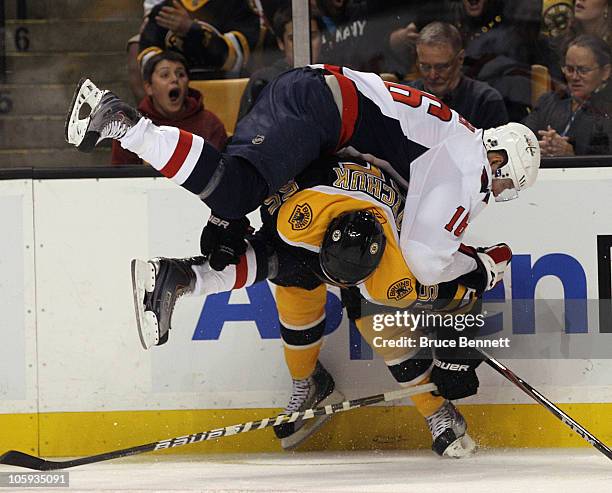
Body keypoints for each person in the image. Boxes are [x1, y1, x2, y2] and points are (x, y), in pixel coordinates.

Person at [131, 155, 514, 457]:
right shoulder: (299, 220)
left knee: (378, 324)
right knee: (289, 279)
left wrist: (457, 356)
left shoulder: (400, 266)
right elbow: (253, 167)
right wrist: (225, 216)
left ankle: (437, 411)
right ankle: (309, 380)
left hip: (377, 234)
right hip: (320, 210)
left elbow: (468, 287)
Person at [65, 64, 539, 293]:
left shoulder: (460, 140)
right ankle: (124, 124)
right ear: (499, 164)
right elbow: (426, 261)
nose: (493, 194)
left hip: (317, 104)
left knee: (264, 233)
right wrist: (479, 265)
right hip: (320, 112)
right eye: (502, 186)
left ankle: (189, 277)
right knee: (236, 193)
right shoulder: (467, 170)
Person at [112, 51, 227, 165]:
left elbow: (218, 174)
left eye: (181, 74)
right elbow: (121, 179)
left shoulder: (210, 124)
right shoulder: (130, 127)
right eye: (165, 75)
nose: (174, 79)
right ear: (149, 88)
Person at [406, 21, 508, 129]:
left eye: (442, 67)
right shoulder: (405, 98)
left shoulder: (485, 102)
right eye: (425, 66)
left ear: (460, 59)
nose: (432, 75)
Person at [523, 34, 612, 156]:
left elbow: (605, 155)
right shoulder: (548, 102)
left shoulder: (608, 109)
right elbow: (523, 137)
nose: (575, 77)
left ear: (605, 72)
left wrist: (573, 154)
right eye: (569, 69)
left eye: (583, 70)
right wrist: (539, 146)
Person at [237, 6, 324, 120]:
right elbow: (245, 134)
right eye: (294, 38)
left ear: (321, 39)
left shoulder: (332, 77)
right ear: (280, 43)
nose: (304, 44)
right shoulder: (262, 82)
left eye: (311, 36)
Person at [138, 0, 261, 79]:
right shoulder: (166, 8)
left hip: (226, 91)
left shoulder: (237, 5)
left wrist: (190, 29)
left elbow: (235, 60)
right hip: (172, 101)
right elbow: (147, 54)